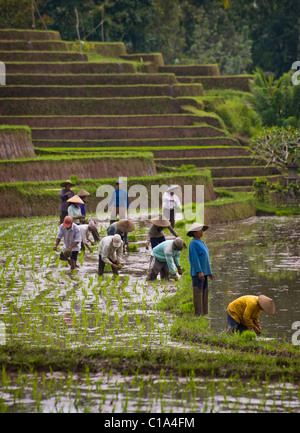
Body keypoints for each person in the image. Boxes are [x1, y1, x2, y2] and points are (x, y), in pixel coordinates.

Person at [187, 222, 214, 316]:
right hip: (198, 273)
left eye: (202, 229)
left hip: (205, 273)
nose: (202, 231)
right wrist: (199, 271)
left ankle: (204, 313)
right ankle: (198, 313)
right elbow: (195, 259)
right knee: (198, 293)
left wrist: (209, 272)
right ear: (194, 232)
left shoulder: (201, 242)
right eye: (199, 230)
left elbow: (206, 259)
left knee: (205, 292)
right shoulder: (193, 243)